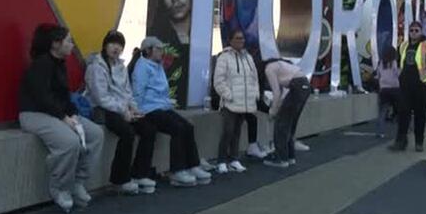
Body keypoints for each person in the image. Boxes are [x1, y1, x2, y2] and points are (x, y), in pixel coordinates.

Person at [18, 24, 105, 213]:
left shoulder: (60, 65)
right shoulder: (41, 65)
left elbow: (64, 96)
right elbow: (42, 98)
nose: (72, 45)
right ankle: (59, 188)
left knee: (96, 134)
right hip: (34, 114)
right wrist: (64, 118)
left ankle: (78, 182)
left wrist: (72, 113)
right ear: (55, 44)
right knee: (69, 142)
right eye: (68, 40)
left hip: (58, 114)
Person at [130, 36, 212, 186]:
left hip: (162, 107)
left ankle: (192, 165)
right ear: (148, 50)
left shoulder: (158, 66)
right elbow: (138, 91)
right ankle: (177, 170)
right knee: (177, 128)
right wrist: (138, 111)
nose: (162, 52)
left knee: (188, 126)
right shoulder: (142, 67)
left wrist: (168, 103)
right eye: (159, 49)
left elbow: (162, 91)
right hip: (149, 109)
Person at [85, 30, 157, 196]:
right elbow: (101, 97)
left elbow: (127, 91)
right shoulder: (96, 67)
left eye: (119, 45)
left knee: (149, 129)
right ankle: (120, 180)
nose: (116, 48)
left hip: (121, 108)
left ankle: (140, 174)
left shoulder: (121, 67)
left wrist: (133, 108)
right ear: (105, 45)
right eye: (112, 44)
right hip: (101, 109)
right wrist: (123, 110)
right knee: (127, 133)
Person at [212, 30, 259, 174]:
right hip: (230, 103)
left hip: (245, 102)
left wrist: (255, 94)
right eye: (237, 38)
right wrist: (228, 95)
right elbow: (218, 80)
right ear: (230, 40)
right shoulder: (224, 58)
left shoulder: (248, 58)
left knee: (237, 132)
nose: (241, 41)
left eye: (242, 38)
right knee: (227, 131)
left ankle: (234, 159)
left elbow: (254, 78)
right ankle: (221, 161)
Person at [389, 21, 426, 152]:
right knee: (403, 114)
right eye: (411, 30)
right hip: (405, 86)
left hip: (421, 87)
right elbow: (399, 62)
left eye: (416, 30)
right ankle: (400, 141)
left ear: (421, 32)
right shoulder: (404, 45)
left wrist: (425, 78)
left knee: (420, 115)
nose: (414, 33)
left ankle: (419, 142)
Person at [262, 58, 312, 168]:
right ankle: (290, 156)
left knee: (281, 125)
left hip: (297, 86)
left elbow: (276, 92)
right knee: (291, 123)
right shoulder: (282, 65)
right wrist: (279, 107)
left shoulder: (269, 69)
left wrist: (273, 111)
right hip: (305, 85)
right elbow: (283, 95)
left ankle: (281, 159)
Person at [375, 46, 402, 138]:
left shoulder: (381, 63)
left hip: (384, 89)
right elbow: (397, 74)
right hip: (395, 88)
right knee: (400, 110)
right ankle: (404, 129)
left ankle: (380, 132)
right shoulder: (394, 63)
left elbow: (378, 75)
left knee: (382, 111)